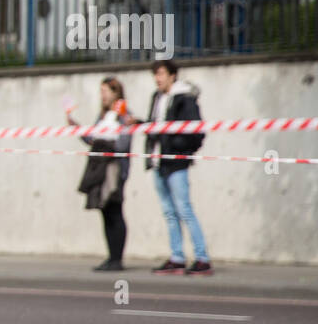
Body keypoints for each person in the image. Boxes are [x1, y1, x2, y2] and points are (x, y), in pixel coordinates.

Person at [145, 61, 212, 275]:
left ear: (173, 75)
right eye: (155, 74)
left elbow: (196, 131)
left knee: (185, 210)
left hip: (176, 162)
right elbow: (155, 126)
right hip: (158, 161)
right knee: (169, 212)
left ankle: (202, 258)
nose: (158, 78)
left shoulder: (185, 98)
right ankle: (177, 257)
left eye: (161, 73)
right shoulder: (157, 98)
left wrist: (178, 148)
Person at [68, 78, 134, 271]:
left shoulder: (124, 115)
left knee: (115, 211)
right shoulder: (102, 115)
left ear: (116, 92)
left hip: (115, 168)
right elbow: (93, 140)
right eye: (101, 91)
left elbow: (123, 144)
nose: (102, 95)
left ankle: (117, 259)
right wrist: (77, 127)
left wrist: (106, 145)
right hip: (101, 167)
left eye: (105, 91)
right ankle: (111, 257)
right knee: (105, 212)